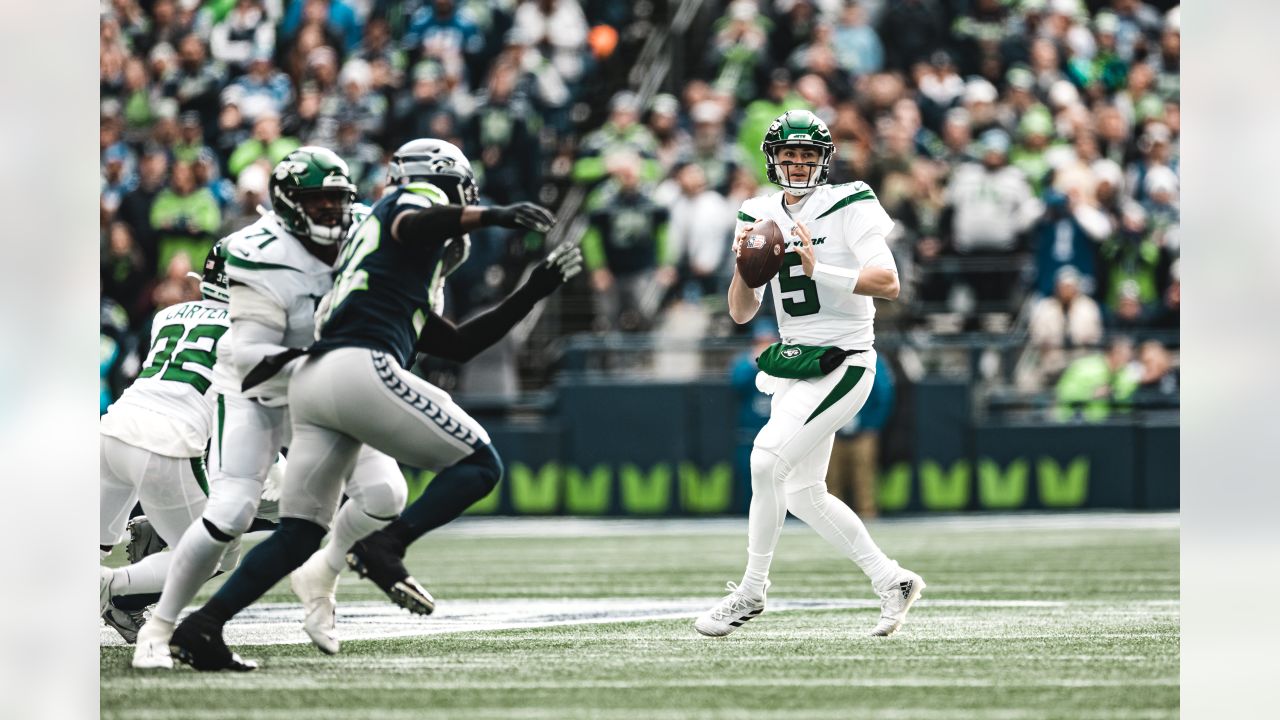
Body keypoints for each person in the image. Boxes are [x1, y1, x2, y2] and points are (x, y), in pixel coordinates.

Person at [165, 139, 578, 669]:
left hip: (313, 384)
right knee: (480, 463)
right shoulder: (408, 203)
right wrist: (490, 215)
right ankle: (386, 546)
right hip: (356, 366)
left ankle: (202, 627)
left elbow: (459, 343)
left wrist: (532, 289)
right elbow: (412, 218)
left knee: (299, 534)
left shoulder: (387, 269)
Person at [131, 147, 402, 671]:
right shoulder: (253, 251)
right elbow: (253, 354)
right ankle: (159, 629)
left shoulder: (358, 234)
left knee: (385, 491)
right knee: (232, 511)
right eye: (317, 202)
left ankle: (320, 571)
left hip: (321, 389)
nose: (331, 214)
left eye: (336, 202)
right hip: (259, 389)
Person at [695, 110, 924, 639]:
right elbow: (741, 313)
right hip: (795, 360)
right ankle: (892, 580)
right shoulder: (755, 210)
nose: (797, 164)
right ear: (772, 158)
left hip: (845, 357)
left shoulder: (851, 200)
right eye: (788, 155)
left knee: (764, 459)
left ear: (824, 160)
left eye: (807, 155)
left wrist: (824, 268)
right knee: (802, 492)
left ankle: (752, 591)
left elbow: (888, 282)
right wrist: (742, 267)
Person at [100, 244, 231, 641]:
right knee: (213, 553)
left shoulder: (167, 315)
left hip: (113, 430)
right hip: (167, 446)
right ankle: (110, 588)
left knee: (92, 541)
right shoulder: (254, 330)